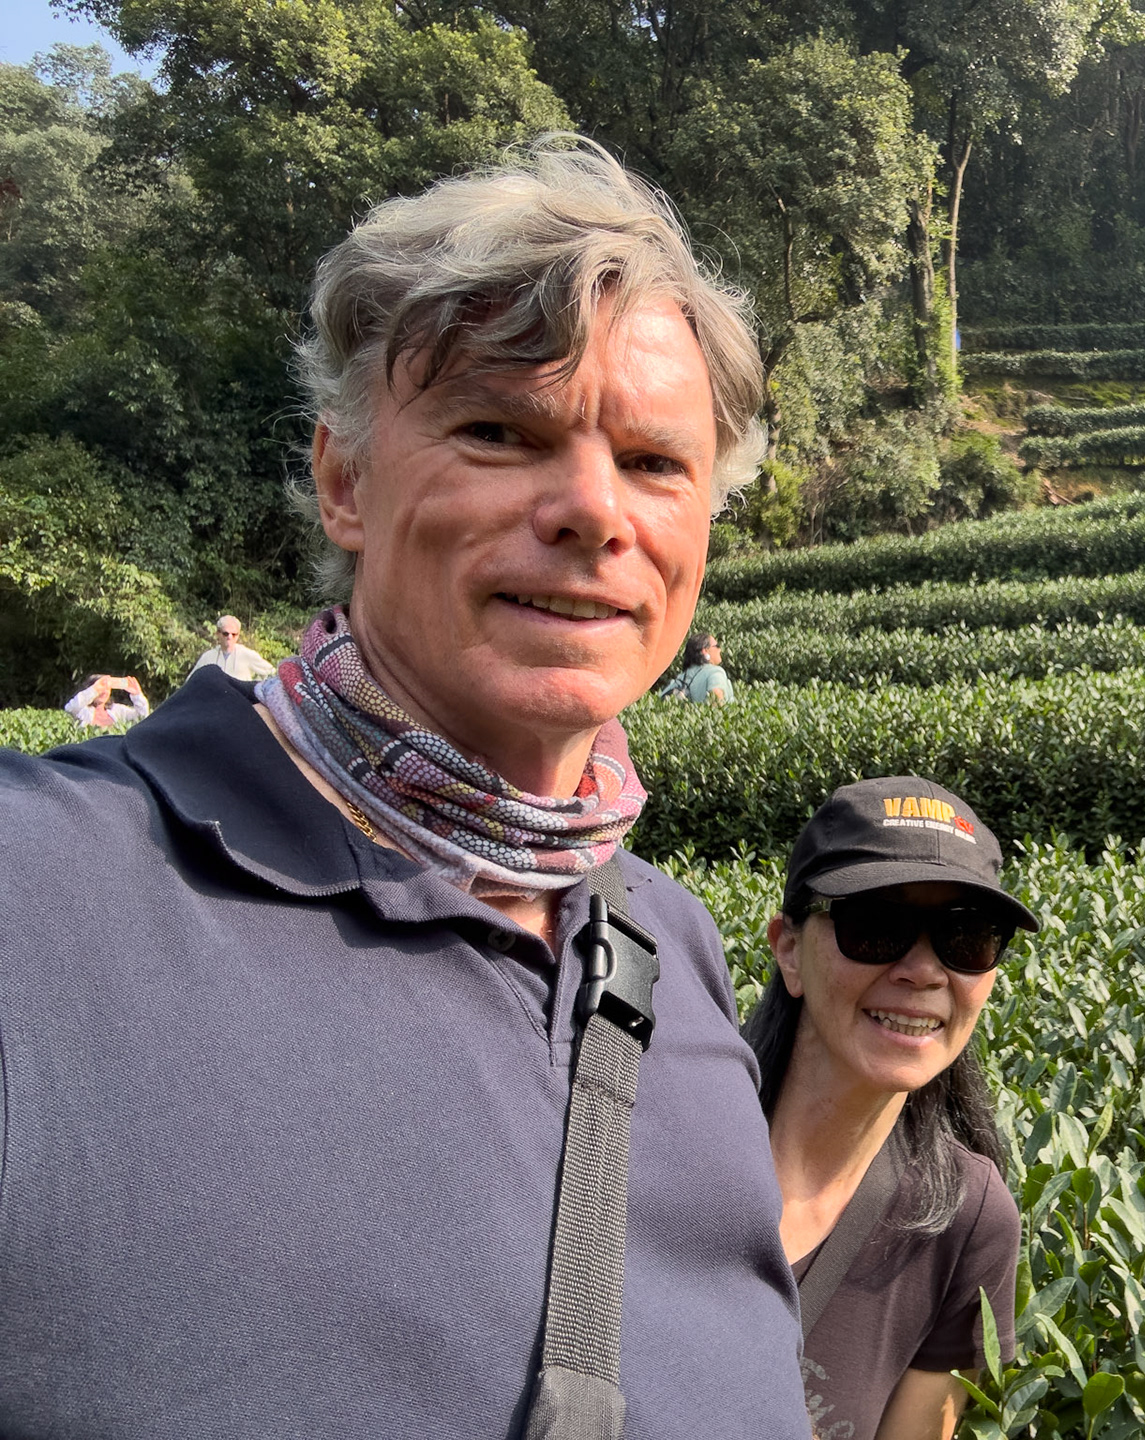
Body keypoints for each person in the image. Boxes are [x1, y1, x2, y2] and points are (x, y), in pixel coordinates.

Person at [0, 136, 811, 1437]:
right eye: (500, 432)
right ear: (345, 480)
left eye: (657, 463)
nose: (594, 510)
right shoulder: (42, 889)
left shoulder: (669, 947)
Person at [744, 776, 1033, 1440]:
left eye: (967, 936)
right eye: (876, 927)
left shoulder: (968, 1220)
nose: (924, 972)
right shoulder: (657, 1135)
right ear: (788, 949)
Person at [191, 614, 276, 680]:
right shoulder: (208, 657)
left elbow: (271, 673)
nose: (230, 637)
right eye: (226, 634)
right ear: (218, 634)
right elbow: (191, 681)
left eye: (234, 634)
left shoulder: (247, 655)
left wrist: (256, 690)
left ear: (238, 635)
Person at [661, 630, 733, 703]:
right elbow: (716, 701)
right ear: (705, 651)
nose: (719, 649)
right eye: (717, 646)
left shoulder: (681, 677)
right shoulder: (715, 672)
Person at [62, 673, 149, 728]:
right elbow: (70, 708)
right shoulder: (83, 711)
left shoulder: (118, 710)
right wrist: (94, 690)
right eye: (101, 688)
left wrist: (137, 695)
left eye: (107, 688)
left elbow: (142, 717)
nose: (104, 692)